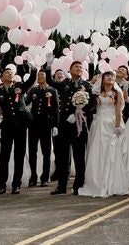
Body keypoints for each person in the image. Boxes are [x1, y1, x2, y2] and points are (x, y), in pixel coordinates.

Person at [78, 71, 129, 197]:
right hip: (98, 124)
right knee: (98, 152)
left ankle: (114, 182)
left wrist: (117, 126)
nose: (110, 78)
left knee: (112, 151)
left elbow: (118, 111)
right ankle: (97, 181)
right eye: (107, 76)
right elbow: (91, 106)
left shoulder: (116, 93)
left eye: (112, 76)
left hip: (112, 124)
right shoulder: (97, 93)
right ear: (102, 79)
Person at [51, 61, 94, 195]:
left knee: (79, 156)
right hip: (64, 124)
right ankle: (61, 186)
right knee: (63, 157)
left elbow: (91, 103)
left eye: (81, 67)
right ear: (70, 69)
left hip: (79, 125)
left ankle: (78, 185)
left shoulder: (86, 85)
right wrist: (47, 66)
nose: (79, 69)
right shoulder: (65, 83)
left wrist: (79, 114)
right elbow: (50, 82)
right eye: (76, 66)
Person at [0, 65, 32, 195]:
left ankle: (16, 184)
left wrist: (32, 68)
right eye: (7, 73)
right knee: (4, 156)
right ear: (1, 77)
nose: (10, 74)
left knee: (19, 155)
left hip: (21, 125)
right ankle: (2, 185)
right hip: (7, 127)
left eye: (11, 73)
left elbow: (31, 80)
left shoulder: (19, 87)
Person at [26, 68, 58, 187]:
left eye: (42, 75)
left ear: (46, 77)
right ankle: (33, 177)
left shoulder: (52, 90)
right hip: (34, 125)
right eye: (38, 75)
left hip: (46, 124)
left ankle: (45, 177)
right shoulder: (33, 90)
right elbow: (26, 103)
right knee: (32, 151)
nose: (40, 77)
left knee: (46, 152)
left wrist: (55, 125)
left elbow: (55, 109)